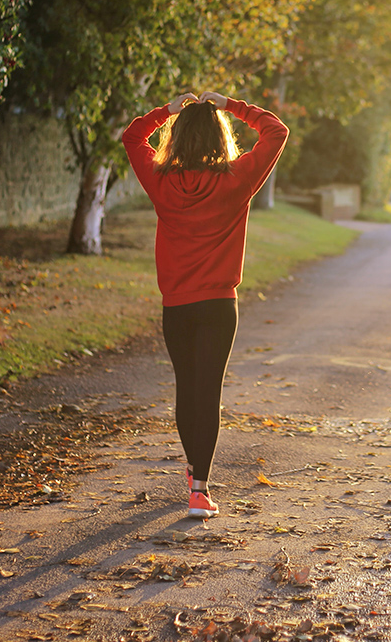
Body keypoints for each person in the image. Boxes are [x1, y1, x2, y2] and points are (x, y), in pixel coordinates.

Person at [122, 90, 289, 518]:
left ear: (177, 138)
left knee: (187, 388)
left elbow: (132, 137)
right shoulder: (236, 179)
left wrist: (167, 111)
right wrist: (231, 105)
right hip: (218, 305)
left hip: (177, 305)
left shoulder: (161, 181)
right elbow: (276, 131)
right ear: (220, 137)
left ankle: (196, 471)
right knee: (208, 391)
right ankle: (199, 489)